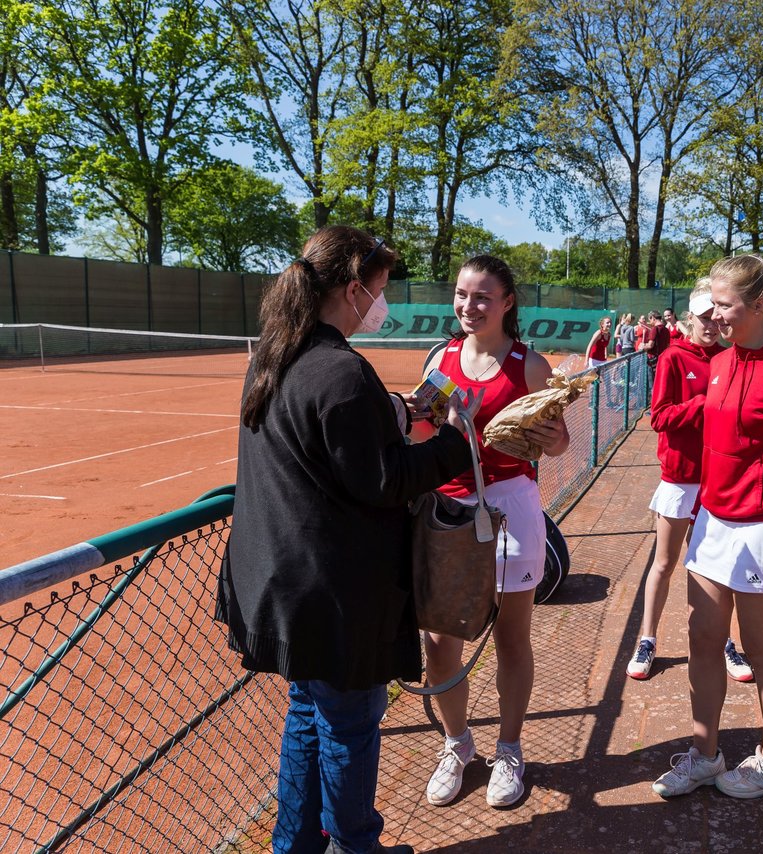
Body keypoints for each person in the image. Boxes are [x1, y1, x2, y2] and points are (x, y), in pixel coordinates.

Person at [217, 226, 473, 854]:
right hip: (333, 598)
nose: (381, 303)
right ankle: (355, 846)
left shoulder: (279, 355)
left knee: (310, 715)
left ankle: (295, 845)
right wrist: (451, 444)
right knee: (350, 728)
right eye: (379, 290)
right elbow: (385, 479)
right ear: (353, 289)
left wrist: (393, 411)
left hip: (278, 584)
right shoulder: (341, 371)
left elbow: (334, 436)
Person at [652, 254, 763, 801]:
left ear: (759, 305)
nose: (715, 315)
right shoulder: (721, 362)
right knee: (702, 637)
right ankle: (705, 754)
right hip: (712, 523)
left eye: (724, 305)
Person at [411, 254, 571, 810]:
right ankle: (457, 746)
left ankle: (509, 749)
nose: (468, 306)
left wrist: (551, 436)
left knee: (510, 637)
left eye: (482, 297)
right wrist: (415, 418)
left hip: (511, 507)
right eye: (461, 295)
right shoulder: (440, 356)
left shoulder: (530, 365)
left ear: (507, 303)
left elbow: (559, 443)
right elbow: (423, 427)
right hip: (450, 508)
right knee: (439, 640)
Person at [626, 281, 753, 684]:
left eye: (713, 316)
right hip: (680, 480)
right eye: (700, 317)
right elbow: (659, 417)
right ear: (687, 319)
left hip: (719, 480)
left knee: (718, 570)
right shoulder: (672, 358)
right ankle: (647, 638)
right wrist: (704, 405)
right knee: (664, 563)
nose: (709, 324)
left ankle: (725, 642)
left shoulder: (730, 358)